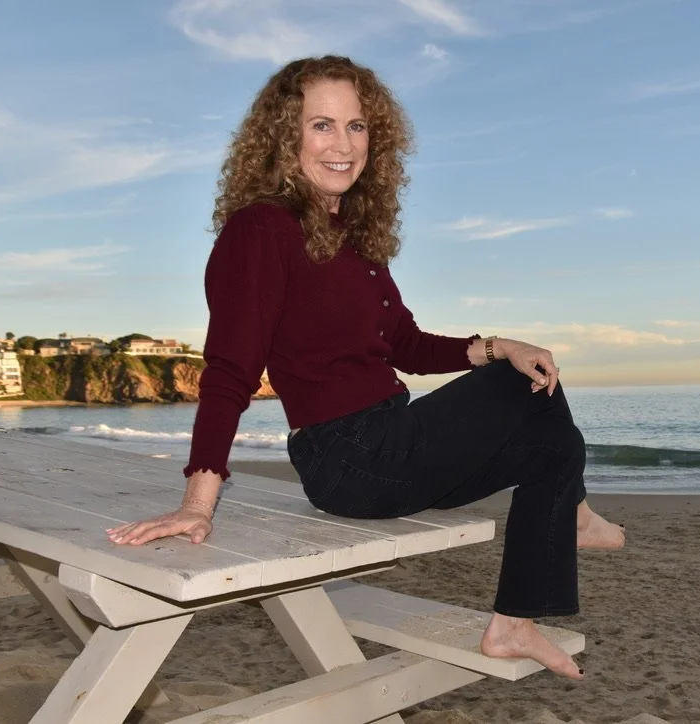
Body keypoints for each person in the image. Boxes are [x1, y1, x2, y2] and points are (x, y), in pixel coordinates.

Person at [106, 55, 624, 680]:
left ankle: (514, 622)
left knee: (548, 430)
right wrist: (197, 502)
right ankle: (575, 515)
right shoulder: (260, 229)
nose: (343, 145)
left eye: (357, 126)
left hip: (390, 443)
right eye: (322, 125)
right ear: (283, 135)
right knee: (524, 393)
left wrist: (496, 345)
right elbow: (229, 370)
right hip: (348, 456)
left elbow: (402, 344)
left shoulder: (352, 231)